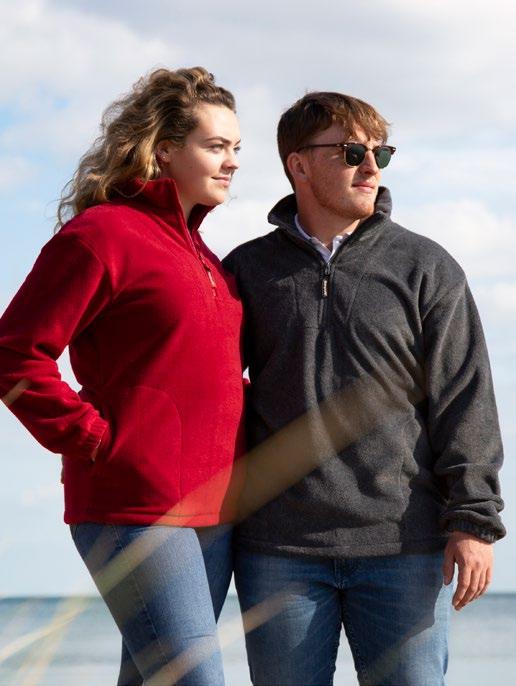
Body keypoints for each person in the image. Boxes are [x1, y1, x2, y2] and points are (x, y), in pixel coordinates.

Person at [223, 92, 505, 685]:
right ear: (299, 164)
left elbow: (465, 397)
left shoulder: (427, 266)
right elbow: (212, 394)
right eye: (352, 152)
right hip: (279, 551)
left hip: (405, 546)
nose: (371, 167)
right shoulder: (246, 271)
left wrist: (473, 521)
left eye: (381, 152)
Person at [0, 67, 244, 685]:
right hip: (135, 505)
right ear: (164, 150)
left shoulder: (206, 257)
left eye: (236, 148)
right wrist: (93, 439)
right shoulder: (102, 234)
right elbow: (14, 352)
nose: (232, 162)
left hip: (214, 510)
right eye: (216, 146)